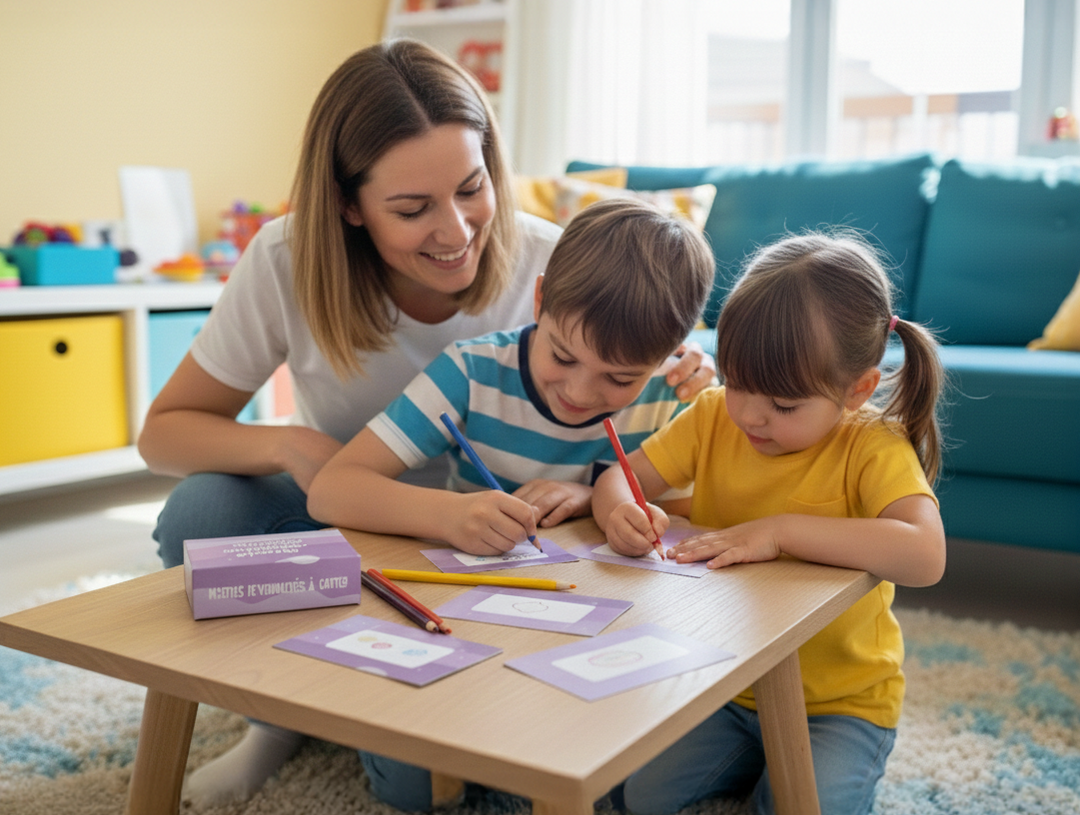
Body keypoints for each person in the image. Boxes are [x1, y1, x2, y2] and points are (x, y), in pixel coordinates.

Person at [136, 40, 715, 808]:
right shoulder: (285, 260)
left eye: (472, 189)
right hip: (353, 511)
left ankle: (452, 706)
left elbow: (639, 376)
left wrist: (687, 377)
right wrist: (289, 443)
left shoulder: (551, 263)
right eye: (412, 209)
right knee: (203, 512)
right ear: (349, 205)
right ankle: (274, 719)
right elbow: (165, 432)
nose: (456, 232)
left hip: (506, 544)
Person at [307, 195, 714, 811]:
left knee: (616, 784)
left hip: (599, 634)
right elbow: (333, 487)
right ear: (541, 299)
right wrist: (448, 516)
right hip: (459, 620)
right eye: (564, 356)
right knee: (413, 792)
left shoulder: (671, 392)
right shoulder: (471, 372)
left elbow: (697, 517)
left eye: (620, 378)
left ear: (671, 350)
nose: (581, 393)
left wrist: (602, 500)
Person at [592, 231, 948, 815]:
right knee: (635, 797)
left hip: (841, 704)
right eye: (740, 384)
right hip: (724, 685)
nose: (752, 415)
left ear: (857, 389)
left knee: (803, 806)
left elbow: (925, 555)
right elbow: (618, 478)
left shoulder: (871, 445)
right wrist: (619, 513)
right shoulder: (711, 416)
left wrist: (779, 530)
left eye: (784, 405)